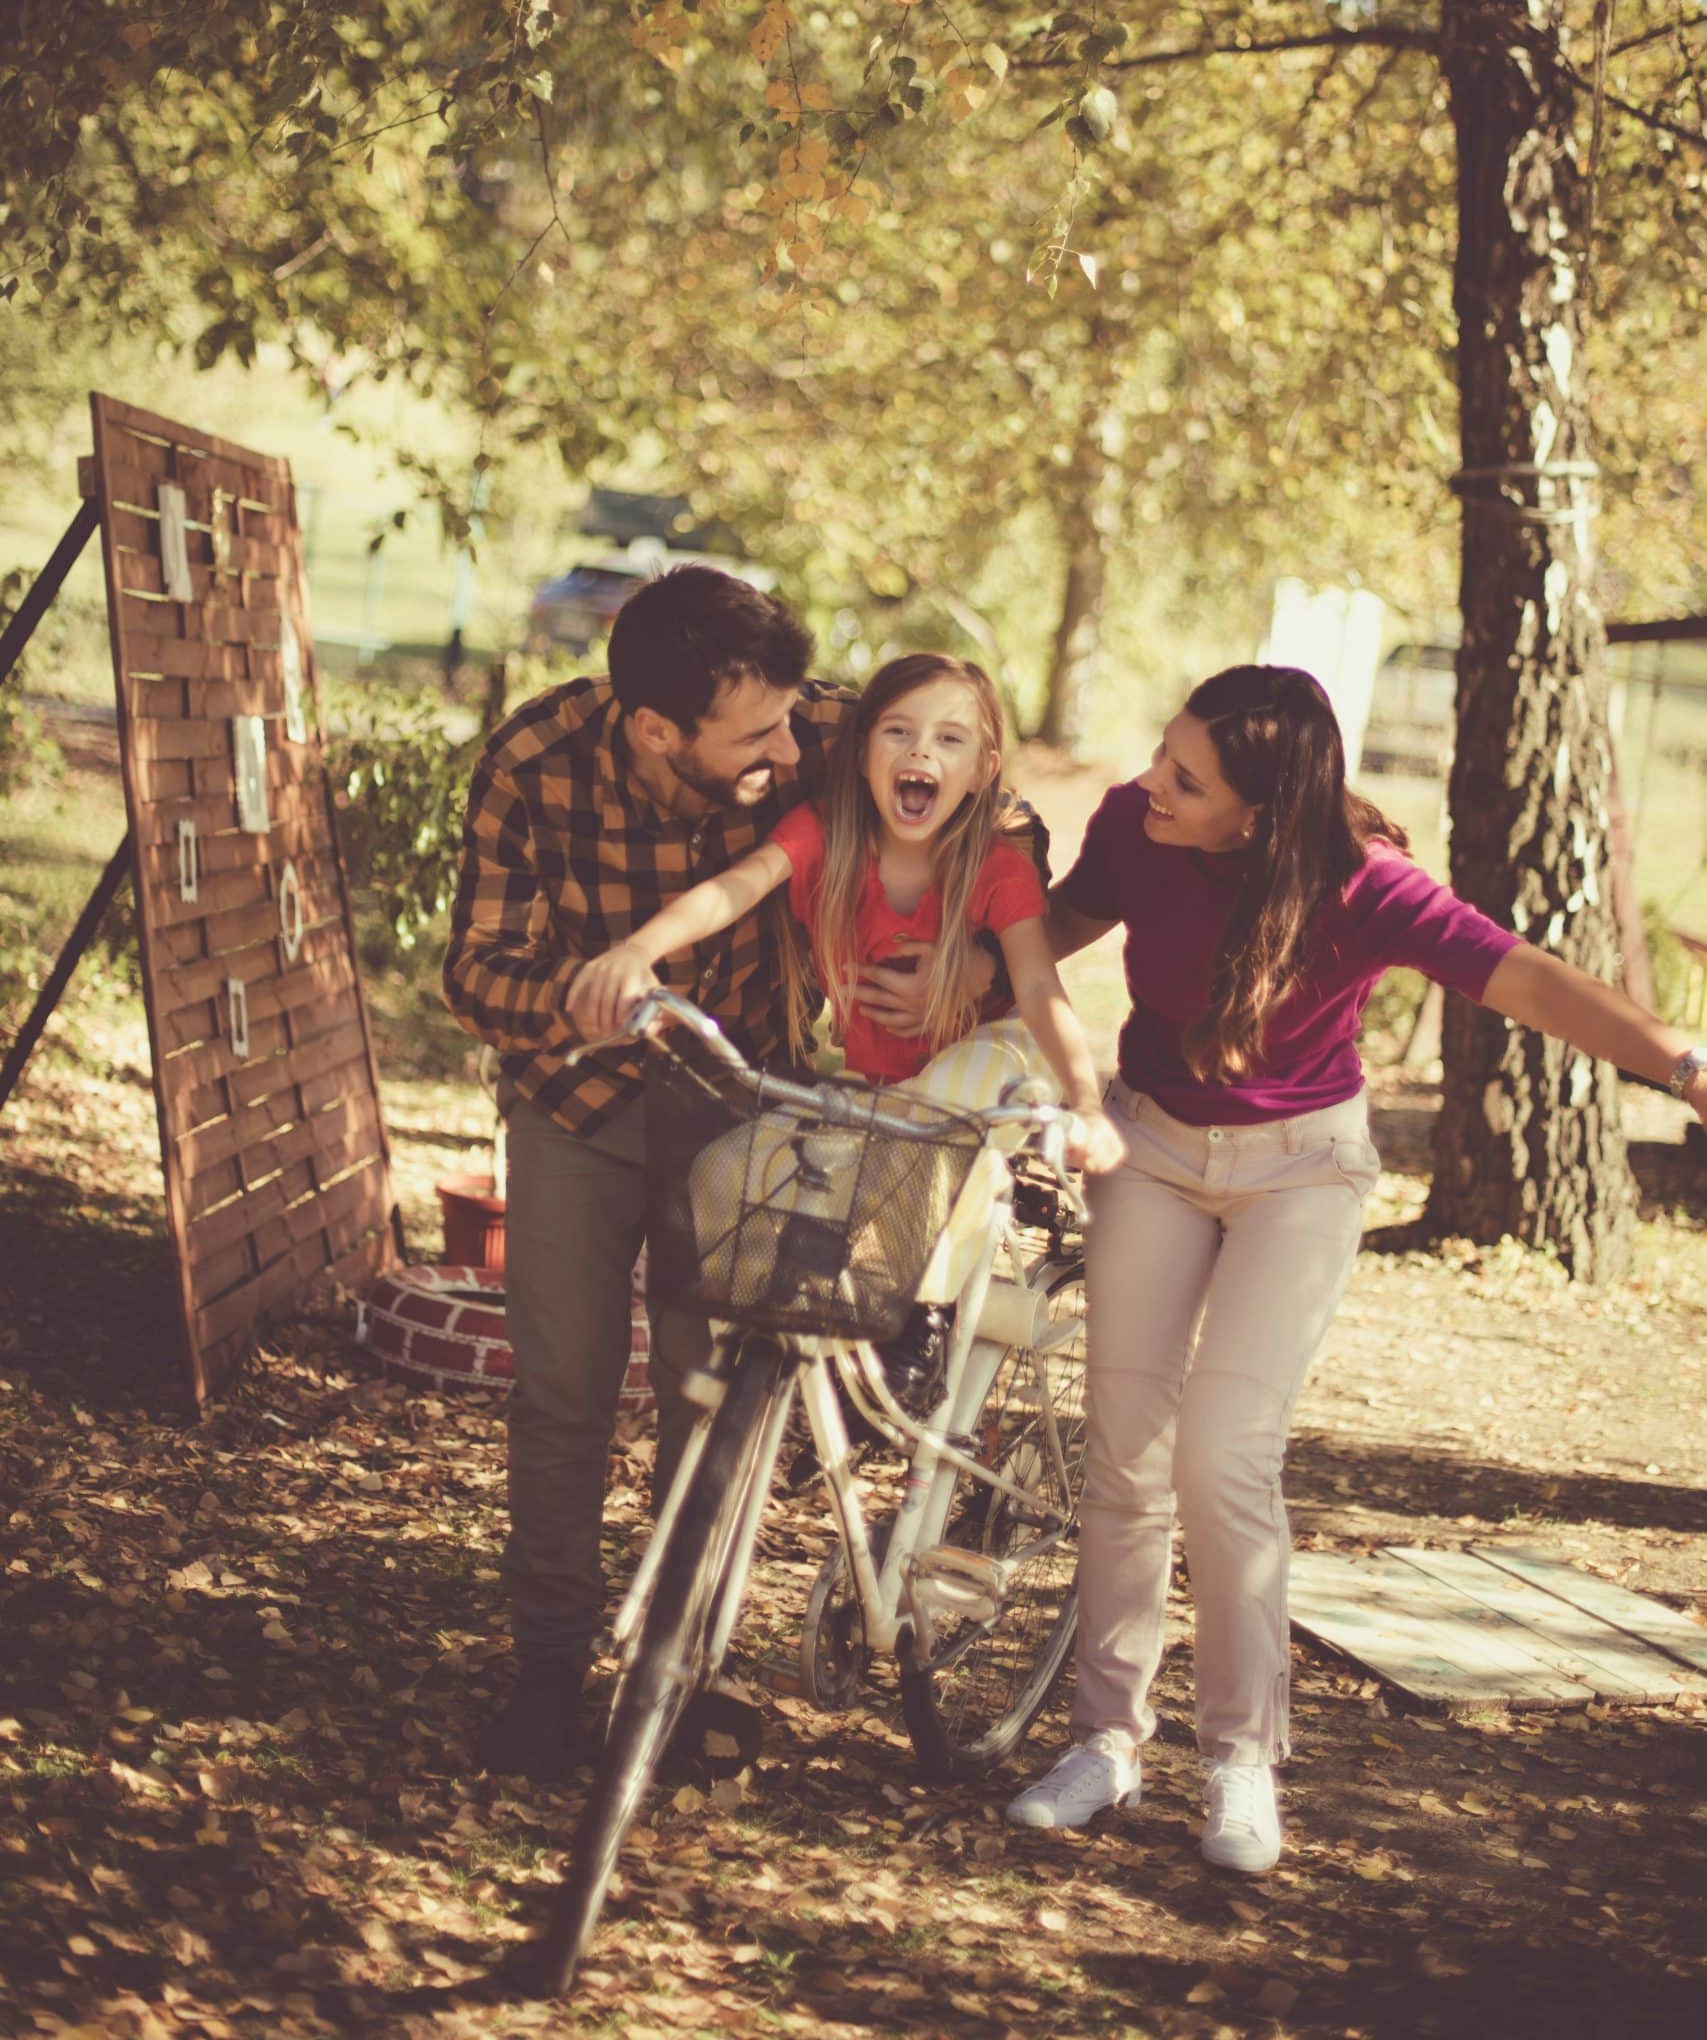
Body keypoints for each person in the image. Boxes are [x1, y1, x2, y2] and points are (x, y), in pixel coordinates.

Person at [1005, 663, 1707, 1874]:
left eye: (1187, 774)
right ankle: (1106, 1743)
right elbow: (1061, 923)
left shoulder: (1363, 886)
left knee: (1223, 1459)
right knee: (1124, 1454)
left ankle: (1241, 1759)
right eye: (1165, 752)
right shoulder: (1135, 823)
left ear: (1263, 812)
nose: (1151, 781)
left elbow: (1526, 975)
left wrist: (1684, 1064)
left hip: (1300, 1171)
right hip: (1155, 1146)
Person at [441, 570, 1040, 1780]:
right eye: (755, 733)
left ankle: (679, 1675)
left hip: (744, 1111)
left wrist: (963, 967)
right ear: (659, 728)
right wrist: (589, 998)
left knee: (711, 1398)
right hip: (579, 1103)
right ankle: (549, 1667)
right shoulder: (535, 763)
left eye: (789, 719)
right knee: (563, 1387)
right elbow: (474, 970)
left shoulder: (819, 726)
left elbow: (1005, 822)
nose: (791, 741)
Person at [570, 651, 1124, 1180]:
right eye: (898, 731)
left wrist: (1086, 1104)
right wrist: (638, 951)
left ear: (982, 770)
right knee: (731, 1173)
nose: (920, 752)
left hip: (1000, 1061)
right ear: (861, 755)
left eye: (950, 739)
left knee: (928, 1130)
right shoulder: (824, 838)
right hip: (879, 1083)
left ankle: (930, 1278)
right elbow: (732, 890)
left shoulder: (996, 870)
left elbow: (1038, 988)